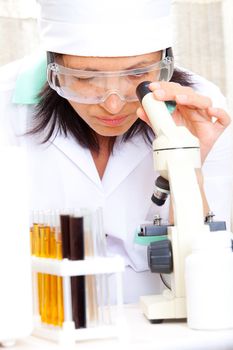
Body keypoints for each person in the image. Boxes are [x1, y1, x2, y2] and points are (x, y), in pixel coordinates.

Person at [0, 0, 232, 303]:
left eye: (137, 75)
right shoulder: (6, 106)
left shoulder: (202, 108)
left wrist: (188, 162)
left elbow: (213, 288)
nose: (113, 105)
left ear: (165, 63)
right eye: (85, 78)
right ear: (53, 67)